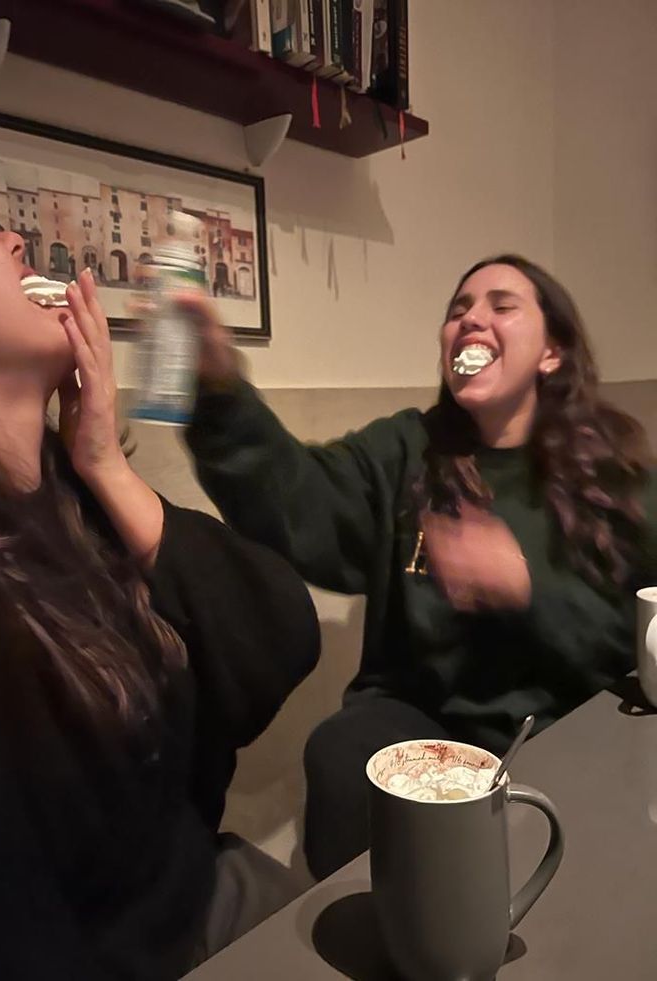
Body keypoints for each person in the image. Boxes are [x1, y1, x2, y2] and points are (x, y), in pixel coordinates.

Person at [0, 209, 320, 980]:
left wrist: (106, 463)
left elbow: (282, 639)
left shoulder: (78, 506)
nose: (11, 236)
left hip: (203, 901)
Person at [181, 254, 657, 880]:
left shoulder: (615, 479)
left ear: (551, 354)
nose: (471, 320)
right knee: (340, 751)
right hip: (424, 729)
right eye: (458, 310)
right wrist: (222, 391)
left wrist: (527, 588)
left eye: (501, 306)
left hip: (570, 724)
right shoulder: (405, 450)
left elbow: (637, 644)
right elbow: (298, 499)